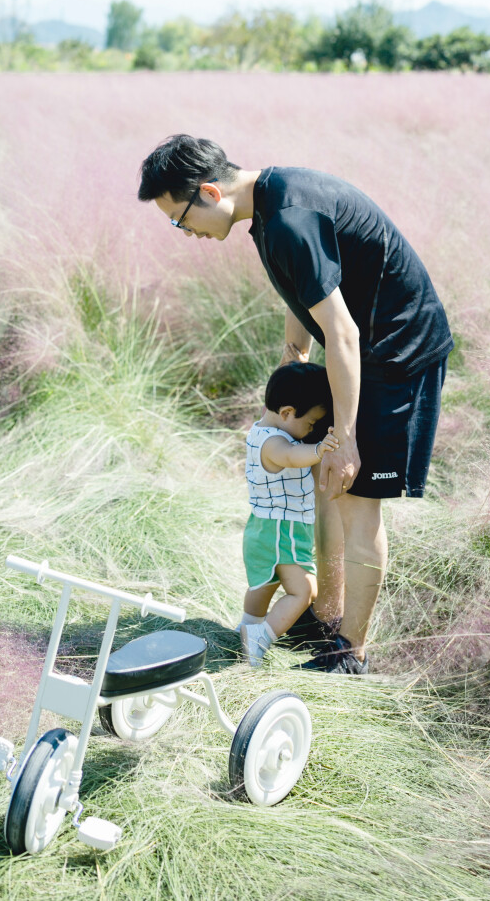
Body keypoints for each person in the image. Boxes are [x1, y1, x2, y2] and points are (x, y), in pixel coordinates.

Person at [138, 134, 453, 674]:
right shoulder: (266, 208)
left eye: (180, 219)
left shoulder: (288, 220)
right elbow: (304, 296)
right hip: (359, 348)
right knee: (327, 484)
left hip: (396, 352)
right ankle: (324, 616)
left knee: (354, 495)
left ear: (210, 191)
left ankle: (348, 652)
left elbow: (345, 331)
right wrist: (294, 364)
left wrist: (346, 437)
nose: (184, 232)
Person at [238, 361, 339, 667]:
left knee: (262, 587)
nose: (311, 430)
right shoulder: (275, 444)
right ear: (286, 413)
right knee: (304, 590)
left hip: (260, 527)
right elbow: (292, 456)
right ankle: (262, 637)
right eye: (311, 424)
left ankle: (245, 628)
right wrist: (320, 449)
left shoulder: (260, 429)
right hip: (285, 530)